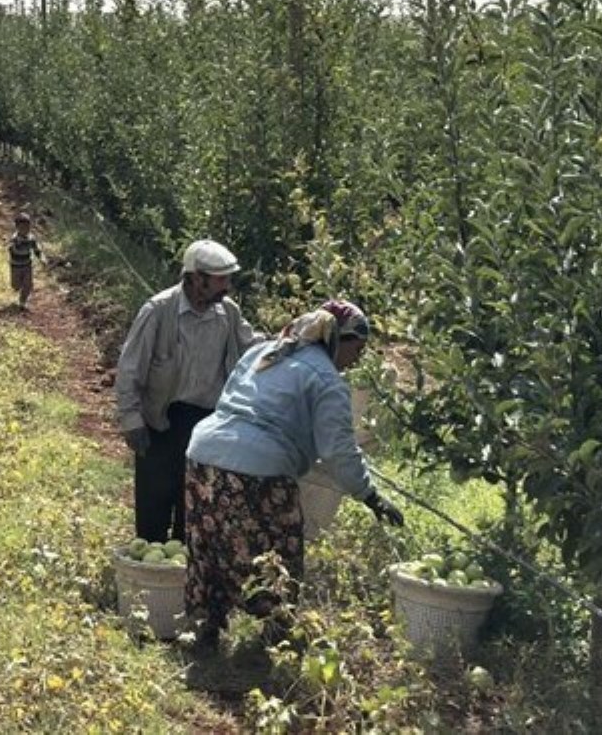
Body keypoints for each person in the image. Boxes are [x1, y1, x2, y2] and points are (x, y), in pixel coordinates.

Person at [183, 299, 405, 648]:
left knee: (211, 545)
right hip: (258, 470)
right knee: (277, 552)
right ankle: (275, 639)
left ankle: (205, 630)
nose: (358, 359)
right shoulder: (328, 380)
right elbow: (339, 451)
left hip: (203, 456)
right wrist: (372, 498)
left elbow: (234, 401)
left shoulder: (265, 352)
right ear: (340, 341)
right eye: (358, 349)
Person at [114, 239, 258, 545]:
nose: (227, 286)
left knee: (194, 507)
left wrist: (291, 342)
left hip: (207, 424)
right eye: (220, 279)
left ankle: (183, 576)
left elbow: (252, 347)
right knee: (154, 505)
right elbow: (130, 369)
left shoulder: (227, 313)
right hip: (162, 421)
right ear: (195, 278)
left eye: (228, 278)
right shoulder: (158, 311)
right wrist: (132, 421)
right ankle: (151, 577)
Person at [8, 211, 46, 309]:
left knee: (28, 285)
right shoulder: (15, 239)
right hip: (15, 266)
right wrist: (16, 245)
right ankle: (18, 289)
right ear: (17, 228)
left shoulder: (31, 238)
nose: (25, 230)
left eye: (27, 227)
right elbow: (11, 249)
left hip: (27, 265)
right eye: (22, 228)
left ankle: (22, 302)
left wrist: (42, 258)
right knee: (15, 285)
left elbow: (36, 249)